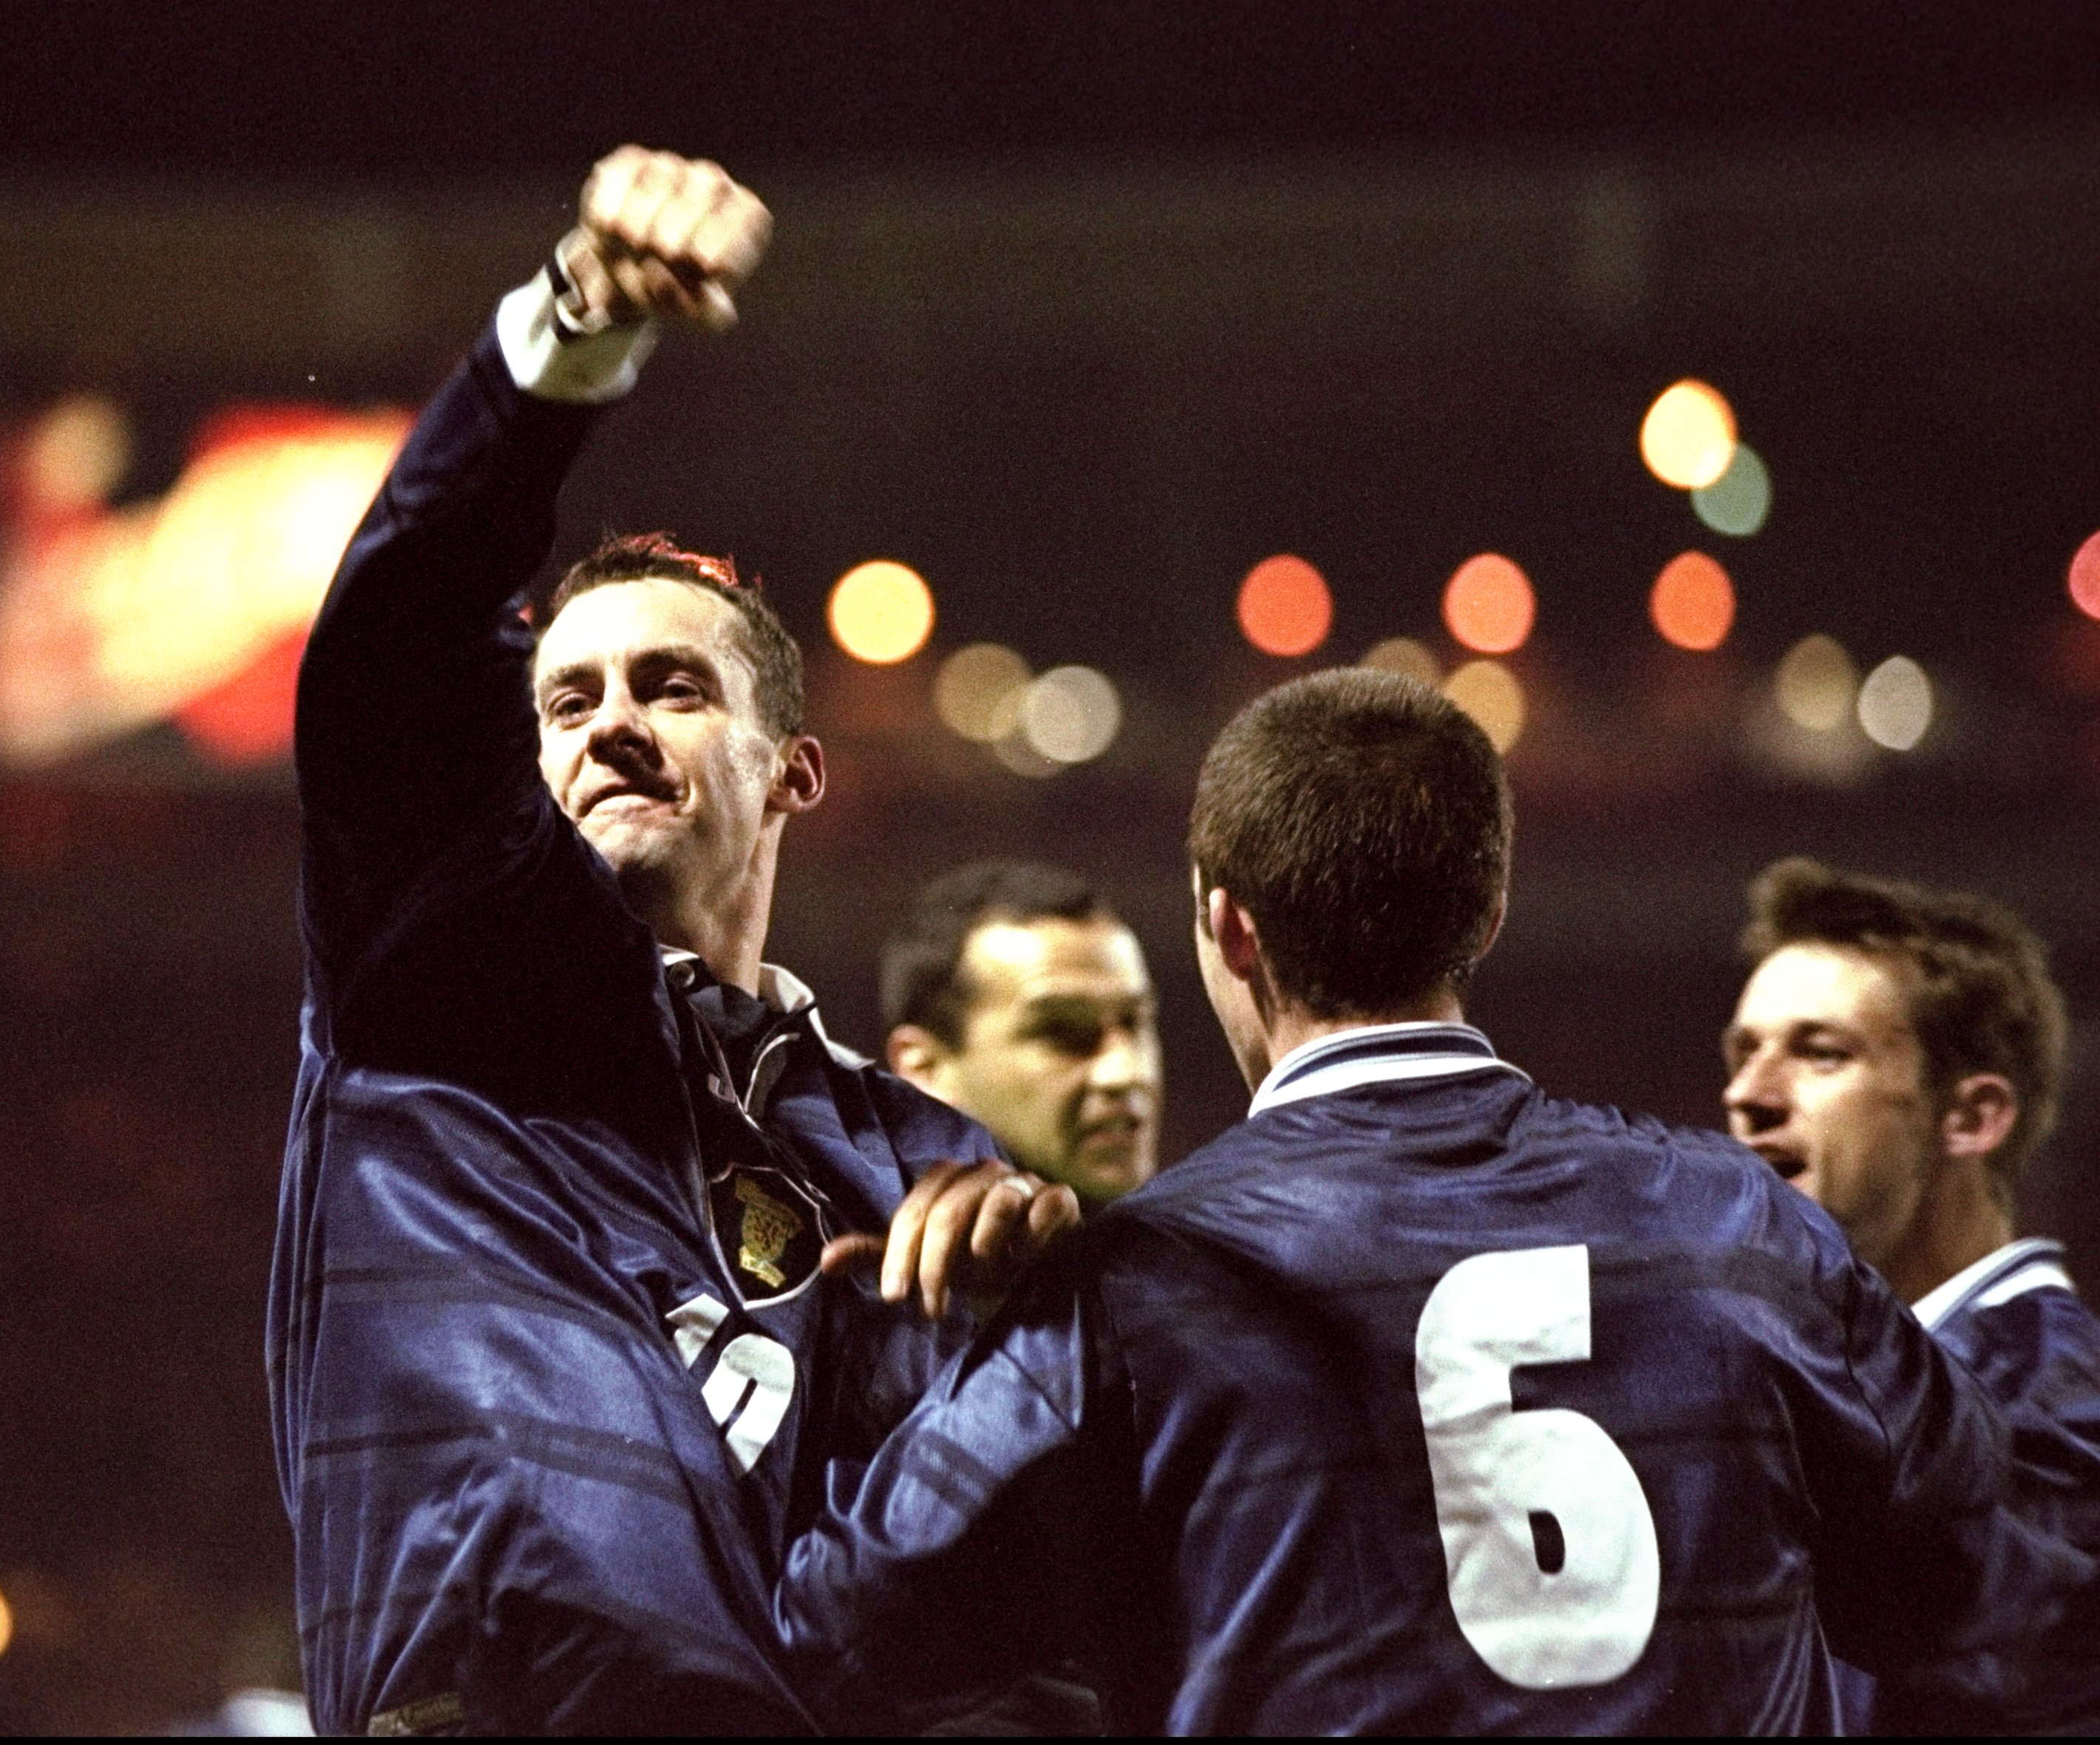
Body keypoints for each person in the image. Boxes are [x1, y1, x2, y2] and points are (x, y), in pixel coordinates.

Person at [775, 666, 2064, 1735]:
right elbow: (1956, 1572)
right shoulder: (1743, 1223)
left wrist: (937, 1348)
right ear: (1488, 910)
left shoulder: (1129, 1286)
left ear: (1227, 930)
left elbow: (846, 1635)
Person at [268, 145, 1075, 1736]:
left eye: (673, 689)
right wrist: (573, 330)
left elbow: (965, 1602)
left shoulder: (917, 1165)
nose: (613, 728)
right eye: (568, 702)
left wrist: (1047, 1333)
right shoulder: (436, 981)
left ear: (795, 772)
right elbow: (397, 653)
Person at [1722, 858, 2100, 1732]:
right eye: (1744, 1053)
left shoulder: (2061, 1417)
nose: (1748, 1096)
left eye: (1821, 1052)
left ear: (1971, 1118)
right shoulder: (1822, 1385)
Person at [881, 859, 1162, 1206]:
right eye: (1061, 1031)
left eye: (1134, 1023)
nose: (1125, 1072)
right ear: (926, 1067)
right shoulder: (857, 1252)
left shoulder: (1220, 1251)